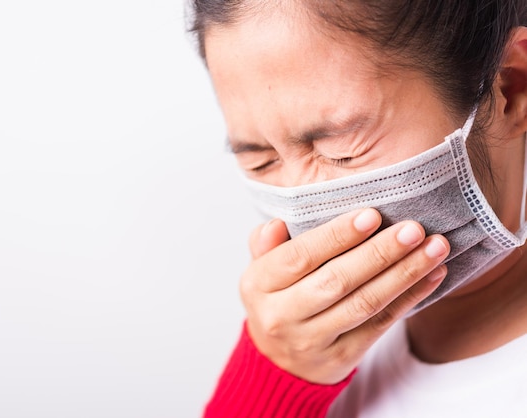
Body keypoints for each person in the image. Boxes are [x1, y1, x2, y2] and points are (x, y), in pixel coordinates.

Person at [188, 1, 527, 417]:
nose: (301, 204)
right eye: (261, 160)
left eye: (341, 151)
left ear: (513, 88)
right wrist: (275, 376)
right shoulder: (302, 348)